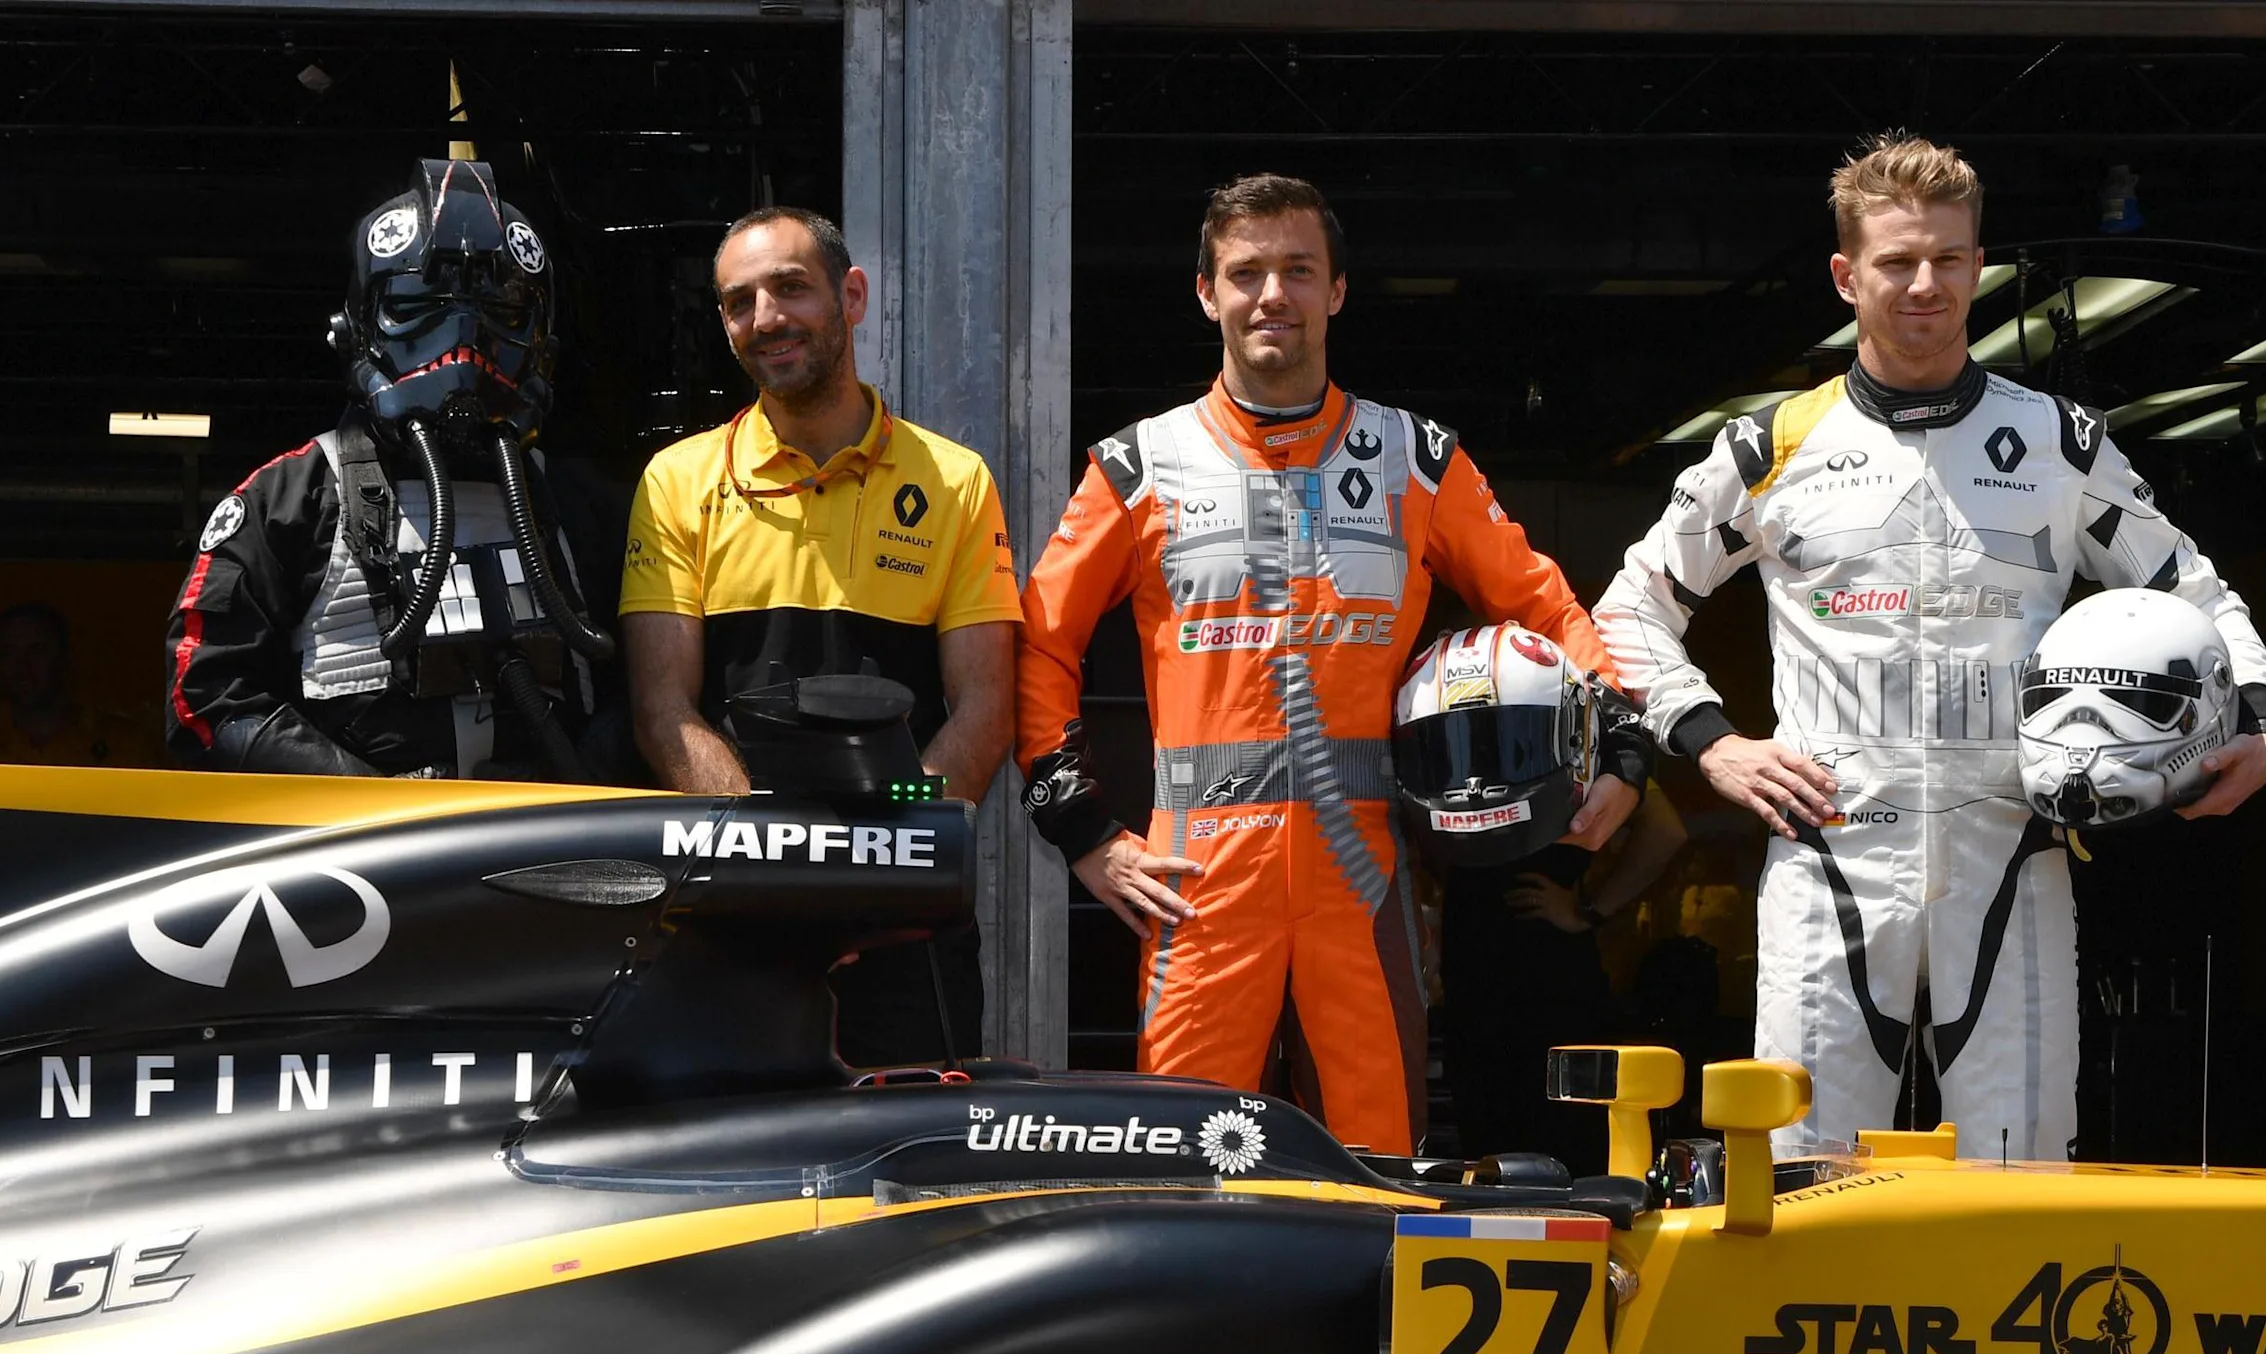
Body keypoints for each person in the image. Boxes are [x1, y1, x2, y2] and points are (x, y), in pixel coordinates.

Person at [1593, 134, 2266, 1161]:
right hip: (1829, 850)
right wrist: (1710, 743)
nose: (1924, 283)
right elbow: (1628, 605)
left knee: (2018, 1178)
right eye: (1895, 261)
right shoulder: (1770, 444)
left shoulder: (2057, 443)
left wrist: (2264, 724)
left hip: (2008, 852)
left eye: (1949, 259)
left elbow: (2192, 589)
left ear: (1976, 264)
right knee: (1800, 1181)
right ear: (1845, 275)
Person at [1017, 173, 1636, 1156]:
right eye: (1245, 272)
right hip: (1197, 880)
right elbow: (1038, 638)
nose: (1272, 295)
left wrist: (1620, 742)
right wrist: (1081, 827)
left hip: (1363, 878)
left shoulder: (1415, 459)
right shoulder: (1137, 465)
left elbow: (1541, 600)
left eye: (1296, 270)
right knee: (1186, 1172)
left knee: (1377, 1166)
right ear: (1205, 293)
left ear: (1336, 291)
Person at [619, 206, 1022, 1067]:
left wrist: (887, 845)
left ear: (852, 296)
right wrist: (772, 860)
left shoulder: (954, 481)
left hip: (904, 909)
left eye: (791, 289)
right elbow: (662, 707)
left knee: (916, 1183)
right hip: (738, 905)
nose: (766, 318)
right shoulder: (677, 481)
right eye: (739, 302)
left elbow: (987, 707)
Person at [165, 159, 607, 780]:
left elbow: (653, 694)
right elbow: (206, 700)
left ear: (543, 342)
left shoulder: (576, 503)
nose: (462, 338)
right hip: (360, 861)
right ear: (356, 332)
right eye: (417, 307)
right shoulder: (289, 497)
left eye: (500, 310)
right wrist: (371, 808)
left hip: (543, 847)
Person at [1440, 782, 1689, 1168]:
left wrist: (1588, 910)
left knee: (1564, 1137)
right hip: (1471, 976)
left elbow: (1665, 829)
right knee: (1485, 1137)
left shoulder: (1587, 738)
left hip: (1548, 975)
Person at [0, 603, 160, 769]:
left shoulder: (123, 742)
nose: (22, 665)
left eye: (37, 649)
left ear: (63, 657)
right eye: (8, 653)